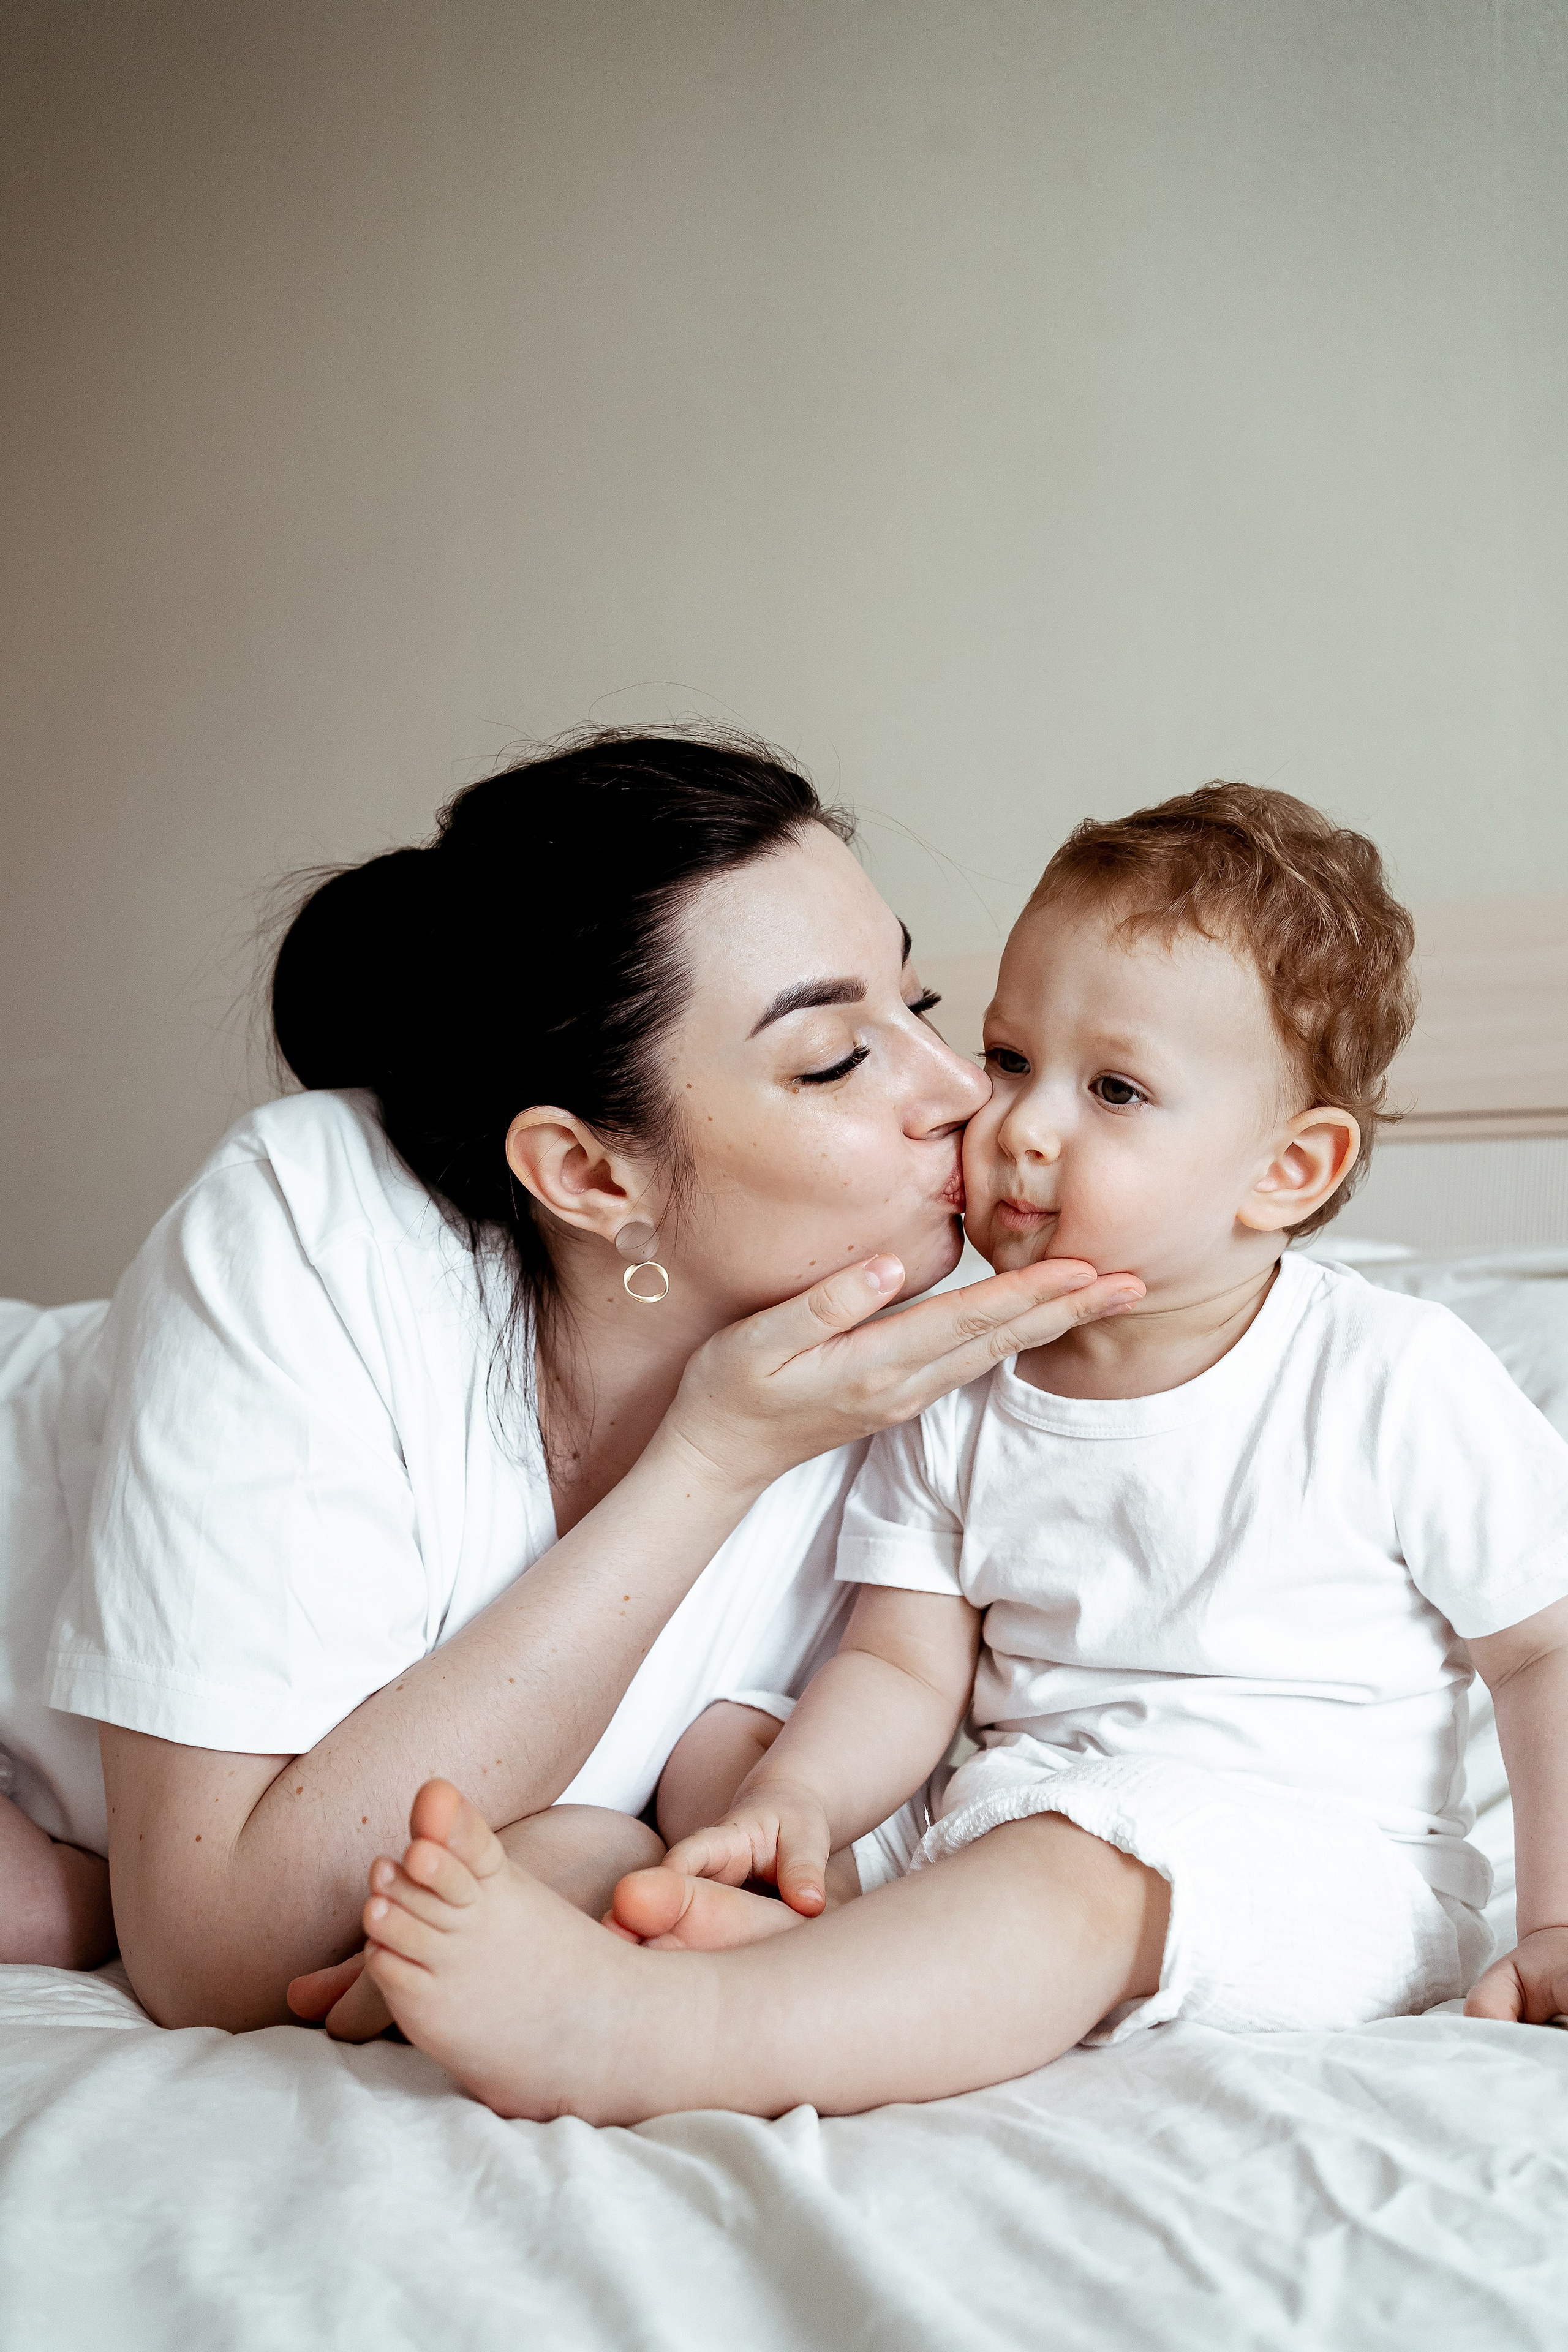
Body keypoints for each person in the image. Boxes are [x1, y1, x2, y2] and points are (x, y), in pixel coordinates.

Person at [345, 783, 1568, 2121]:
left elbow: (1543, 1651)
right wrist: (794, 1803)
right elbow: (898, 1663)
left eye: (1113, 1089)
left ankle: (664, 2034)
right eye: (1007, 1057)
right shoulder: (957, 1382)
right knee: (685, 1785)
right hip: (1006, 1825)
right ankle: (669, 1922)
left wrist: (1555, 1922)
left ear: (1288, 1169)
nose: (1017, 1125)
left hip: (1310, 1880)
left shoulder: (1390, 1375)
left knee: (1067, 1870)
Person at [3, 729, 1138, 2024]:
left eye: (919, 1006)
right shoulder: (311, 1220)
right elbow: (214, 1955)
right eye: (835, 1058)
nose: (959, 1091)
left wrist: (605, 1858)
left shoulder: (925, 1320)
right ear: (591, 1175)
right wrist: (712, 1459)